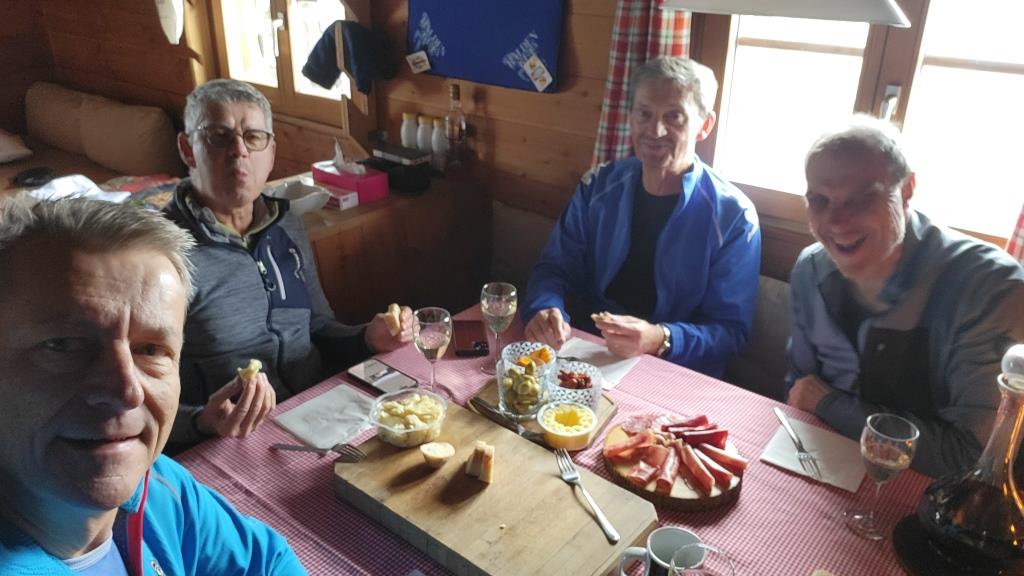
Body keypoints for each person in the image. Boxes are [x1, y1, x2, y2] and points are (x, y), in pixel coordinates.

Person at [0, 196, 306, 574]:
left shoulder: (158, 486)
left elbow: (268, 562)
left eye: (151, 350)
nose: (127, 391)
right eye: (64, 346)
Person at [164, 78, 413, 449]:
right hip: (226, 441)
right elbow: (136, 397)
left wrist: (367, 337)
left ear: (271, 153)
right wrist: (201, 421)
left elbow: (320, 327)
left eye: (253, 137)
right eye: (218, 136)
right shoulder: (160, 255)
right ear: (188, 149)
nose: (239, 151)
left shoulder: (287, 226)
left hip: (314, 413)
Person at [786, 115, 1024, 478]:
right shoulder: (811, 268)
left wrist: (830, 404)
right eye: (820, 200)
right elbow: (799, 393)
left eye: (862, 198)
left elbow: (974, 460)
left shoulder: (992, 289)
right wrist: (819, 404)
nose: (836, 221)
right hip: (829, 471)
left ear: (908, 189)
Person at [522, 57, 761, 378]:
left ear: (705, 125)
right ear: (631, 118)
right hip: (588, 350)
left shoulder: (734, 216)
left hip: (676, 368)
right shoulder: (598, 186)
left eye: (674, 117)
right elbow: (554, 268)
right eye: (644, 114)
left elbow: (730, 331)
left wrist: (660, 338)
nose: (655, 130)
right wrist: (544, 307)